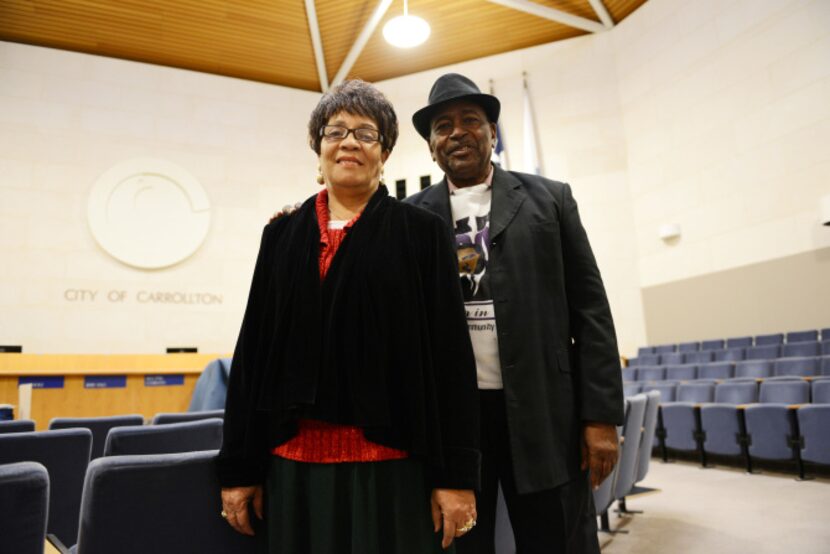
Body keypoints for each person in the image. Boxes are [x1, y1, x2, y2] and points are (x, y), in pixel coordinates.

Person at [216, 79, 480, 554]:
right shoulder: (280, 235)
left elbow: (450, 360)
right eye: (335, 131)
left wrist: (455, 477)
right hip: (291, 466)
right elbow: (253, 354)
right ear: (318, 149)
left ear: (385, 154)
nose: (350, 142)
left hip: (393, 465)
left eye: (366, 133)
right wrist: (238, 469)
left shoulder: (422, 233)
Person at [405, 73, 624, 554]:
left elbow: (591, 309)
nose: (457, 132)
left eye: (471, 121)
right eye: (443, 126)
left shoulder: (550, 199)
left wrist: (601, 417)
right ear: (431, 146)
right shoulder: (408, 218)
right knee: (460, 544)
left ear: (493, 133)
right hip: (455, 423)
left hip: (547, 413)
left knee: (557, 540)